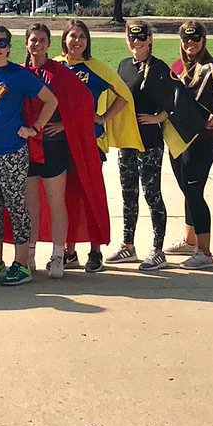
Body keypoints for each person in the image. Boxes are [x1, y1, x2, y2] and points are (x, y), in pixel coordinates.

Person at [0, 25, 58, 288]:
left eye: (1, 43)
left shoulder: (20, 75)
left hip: (12, 151)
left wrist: (35, 129)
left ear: (9, 47)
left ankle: (21, 264)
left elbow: (50, 101)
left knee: (16, 206)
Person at [19, 23, 110, 280]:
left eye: (42, 40)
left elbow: (83, 102)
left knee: (56, 201)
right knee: (30, 204)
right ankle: (30, 254)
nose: (37, 44)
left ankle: (58, 255)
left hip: (53, 148)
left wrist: (63, 124)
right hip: (26, 148)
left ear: (49, 44)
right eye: (33, 40)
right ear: (26, 43)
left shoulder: (59, 73)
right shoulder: (20, 72)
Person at [59, 19, 135, 271]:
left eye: (82, 36)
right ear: (64, 39)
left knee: (90, 196)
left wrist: (102, 118)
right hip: (60, 143)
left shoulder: (96, 68)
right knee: (65, 198)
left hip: (90, 143)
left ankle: (95, 251)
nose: (77, 41)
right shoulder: (56, 66)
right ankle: (69, 251)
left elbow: (124, 95)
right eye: (72, 36)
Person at [114, 20, 174, 271]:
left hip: (148, 142)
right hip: (127, 139)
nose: (135, 43)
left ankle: (158, 249)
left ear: (150, 39)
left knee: (152, 194)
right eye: (131, 38)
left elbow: (175, 99)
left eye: (140, 38)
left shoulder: (159, 68)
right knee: (129, 194)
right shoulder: (124, 65)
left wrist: (159, 117)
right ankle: (128, 245)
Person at [163, 21, 213, 270]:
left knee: (195, 192)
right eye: (186, 40)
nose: (190, 44)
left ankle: (205, 252)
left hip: (203, 140)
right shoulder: (177, 67)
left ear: (203, 39)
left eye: (195, 39)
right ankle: (190, 240)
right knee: (187, 190)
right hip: (178, 139)